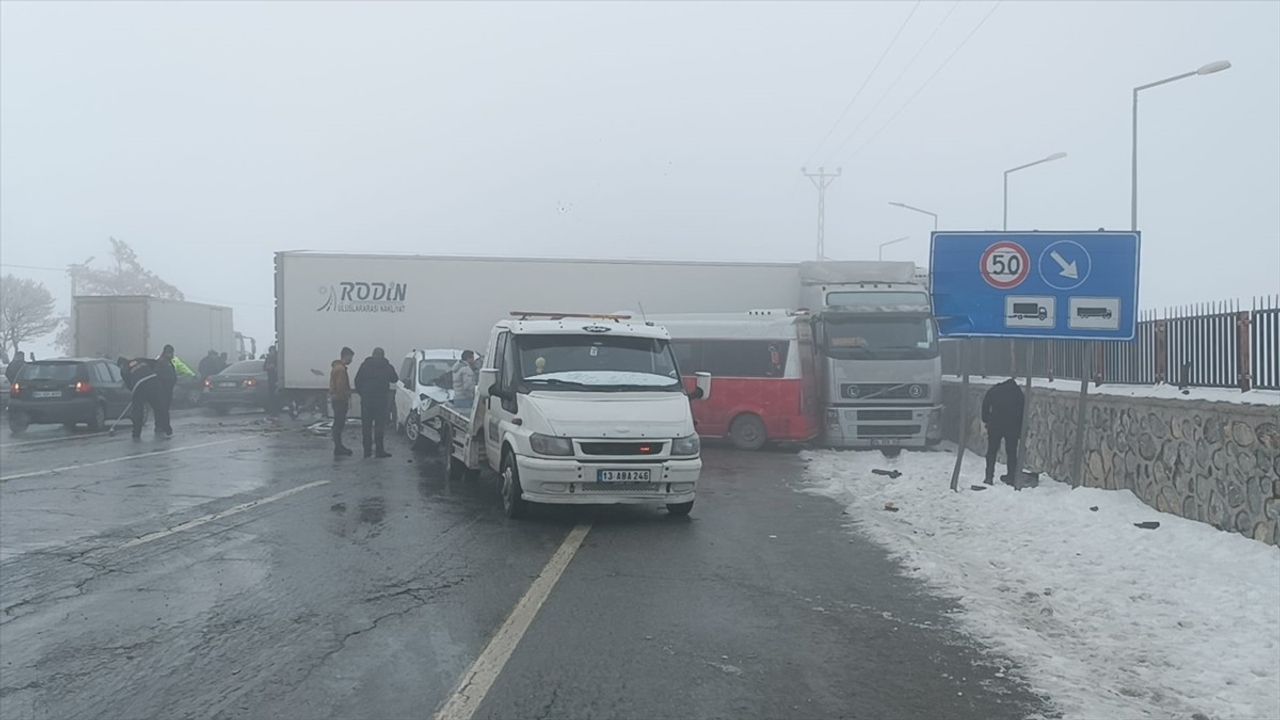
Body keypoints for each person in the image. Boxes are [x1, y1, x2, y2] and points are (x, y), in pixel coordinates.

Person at [353, 347, 398, 458]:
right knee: (379, 426)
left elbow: (357, 381)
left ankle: (367, 451)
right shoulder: (386, 366)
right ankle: (379, 450)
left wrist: (363, 394)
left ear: (372, 354)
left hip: (367, 401)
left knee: (366, 427)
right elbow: (395, 378)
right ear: (383, 355)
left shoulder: (364, 365)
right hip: (381, 401)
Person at [981, 377, 1025, 485]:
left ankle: (989, 477)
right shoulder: (1018, 393)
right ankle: (1011, 476)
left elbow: (985, 405)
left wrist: (986, 419)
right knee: (1011, 452)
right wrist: (1020, 430)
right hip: (1012, 426)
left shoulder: (995, 390)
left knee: (992, 451)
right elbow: (1022, 413)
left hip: (995, 424)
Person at [119, 356, 163, 440]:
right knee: (157, 406)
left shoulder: (124, 369)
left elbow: (129, 384)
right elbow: (154, 362)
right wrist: (151, 372)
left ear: (121, 365)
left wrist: (134, 394)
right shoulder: (139, 359)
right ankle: (160, 427)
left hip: (139, 385)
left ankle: (136, 432)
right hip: (152, 381)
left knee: (138, 410)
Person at [329, 346, 355, 457]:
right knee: (339, 424)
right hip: (340, 400)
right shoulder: (341, 370)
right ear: (346, 356)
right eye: (351, 357)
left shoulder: (337, 368)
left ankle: (338, 446)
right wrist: (344, 396)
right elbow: (340, 386)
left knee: (338, 423)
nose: (351, 360)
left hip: (336, 399)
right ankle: (338, 447)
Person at [153, 345, 178, 438]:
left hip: (167, 389)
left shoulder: (167, 362)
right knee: (162, 409)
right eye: (171, 353)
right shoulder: (161, 362)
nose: (172, 355)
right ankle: (165, 427)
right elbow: (159, 376)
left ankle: (161, 426)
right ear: (167, 353)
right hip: (163, 390)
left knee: (163, 408)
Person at [263, 345, 279, 415]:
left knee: (276, 395)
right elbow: (264, 367)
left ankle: (275, 410)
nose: (271, 352)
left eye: (273, 351)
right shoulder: (268, 358)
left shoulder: (278, 358)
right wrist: (269, 367)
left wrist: (275, 367)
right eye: (271, 351)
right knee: (272, 395)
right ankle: (273, 410)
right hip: (271, 379)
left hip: (277, 378)